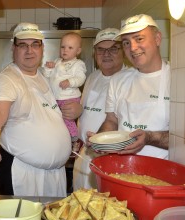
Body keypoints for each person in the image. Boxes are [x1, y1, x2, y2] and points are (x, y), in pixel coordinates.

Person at [0, 22, 72, 197]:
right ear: (13, 48)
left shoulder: (43, 76)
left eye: (35, 44)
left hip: (55, 175)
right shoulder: (8, 79)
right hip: (23, 174)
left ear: (42, 48)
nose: (29, 51)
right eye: (23, 45)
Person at [91, 14, 170, 159]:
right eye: (126, 42)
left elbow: (181, 138)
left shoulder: (177, 81)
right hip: (122, 168)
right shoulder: (118, 80)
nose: (133, 48)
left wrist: (150, 137)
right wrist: (100, 140)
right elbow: (111, 120)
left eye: (139, 39)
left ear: (157, 38)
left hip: (162, 173)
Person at [72, 28, 126, 190]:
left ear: (123, 51)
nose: (106, 54)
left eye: (113, 49)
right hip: (83, 154)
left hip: (109, 158)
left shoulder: (129, 80)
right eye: (101, 49)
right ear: (94, 53)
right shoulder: (92, 77)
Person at [43, 32, 86, 153]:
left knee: (67, 119)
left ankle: (74, 139)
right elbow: (46, 77)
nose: (65, 50)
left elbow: (81, 79)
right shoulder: (57, 61)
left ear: (78, 51)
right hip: (56, 98)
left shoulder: (78, 64)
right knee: (56, 120)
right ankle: (62, 141)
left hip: (70, 98)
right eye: (63, 47)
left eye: (70, 48)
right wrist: (48, 68)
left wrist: (70, 81)